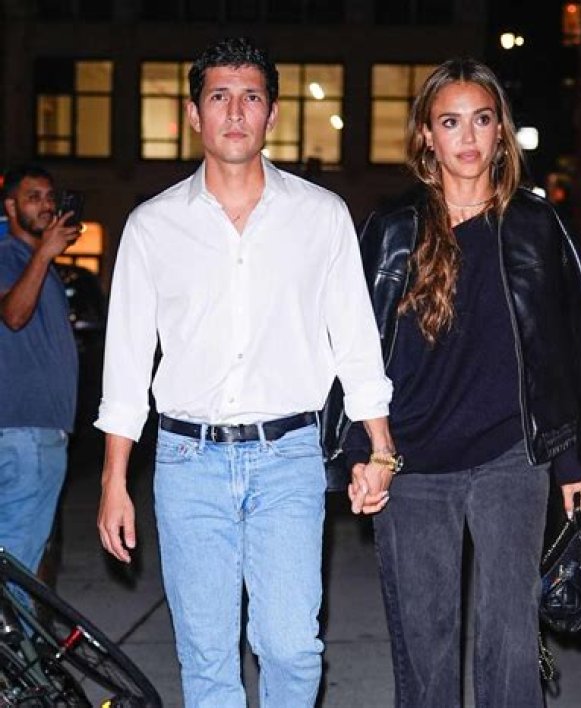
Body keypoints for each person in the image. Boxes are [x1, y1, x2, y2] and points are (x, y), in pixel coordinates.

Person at [329, 58, 581, 707]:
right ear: (426, 136)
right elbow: (356, 345)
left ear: (501, 132)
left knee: (509, 641)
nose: (467, 137)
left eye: (481, 119)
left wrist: (571, 461)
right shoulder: (394, 228)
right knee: (426, 648)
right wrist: (363, 450)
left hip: (510, 459)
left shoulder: (535, 225)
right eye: (450, 122)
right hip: (412, 462)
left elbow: (564, 348)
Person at [95, 37, 394, 707]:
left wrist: (381, 448)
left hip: (287, 458)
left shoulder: (320, 216)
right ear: (194, 114)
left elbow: (355, 341)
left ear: (272, 113)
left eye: (251, 97)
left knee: (291, 645)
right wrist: (115, 481)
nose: (235, 112)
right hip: (186, 462)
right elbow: (126, 366)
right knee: (206, 655)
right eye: (219, 97)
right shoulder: (151, 226)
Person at [0, 164, 80, 575]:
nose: (46, 206)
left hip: (33, 430)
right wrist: (46, 253)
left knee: (20, 550)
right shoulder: (8, 255)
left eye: (50, 197)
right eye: (33, 198)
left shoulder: (37, 263)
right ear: (11, 207)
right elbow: (14, 315)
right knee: (18, 559)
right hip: (25, 431)